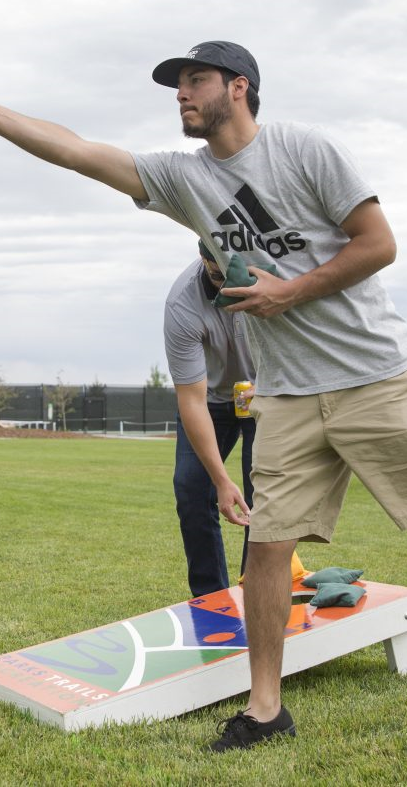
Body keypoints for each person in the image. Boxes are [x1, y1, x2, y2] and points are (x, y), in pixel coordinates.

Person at [0, 42, 407, 750]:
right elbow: (80, 152)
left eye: (195, 81)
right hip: (288, 394)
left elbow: (377, 243)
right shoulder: (183, 179)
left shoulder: (305, 151)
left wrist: (290, 291)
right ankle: (267, 707)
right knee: (267, 548)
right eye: (176, 84)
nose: (181, 93)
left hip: (372, 373)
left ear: (238, 87)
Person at [164, 241, 257, 597]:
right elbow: (191, 398)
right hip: (211, 401)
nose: (226, 286)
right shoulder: (182, 303)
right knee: (190, 487)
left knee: (263, 493)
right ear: (203, 259)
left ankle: (258, 589)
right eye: (217, 275)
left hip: (266, 396)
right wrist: (220, 479)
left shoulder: (270, 277)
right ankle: (211, 600)